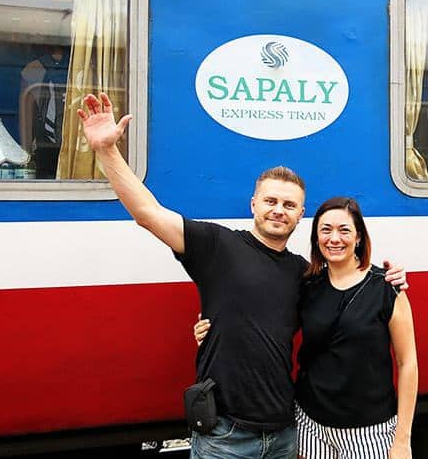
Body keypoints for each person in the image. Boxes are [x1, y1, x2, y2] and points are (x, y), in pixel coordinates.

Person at [77, 93, 407, 459]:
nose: (278, 211)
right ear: (253, 204)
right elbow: (148, 213)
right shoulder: (216, 245)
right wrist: (107, 151)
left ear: (300, 216)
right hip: (224, 436)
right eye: (270, 201)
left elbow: (345, 293)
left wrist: (388, 277)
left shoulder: (304, 274)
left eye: (289, 205)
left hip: (285, 432)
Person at [196, 197, 418, 459]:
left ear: (358, 237)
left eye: (344, 230)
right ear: (316, 239)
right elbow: (266, 323)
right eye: (325, 230)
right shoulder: (308, 285)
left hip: (370, 431)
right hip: (311, 427)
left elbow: (407, 364)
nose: (334, 238)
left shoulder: (386, 287)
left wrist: (402, 439)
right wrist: (211, 330)